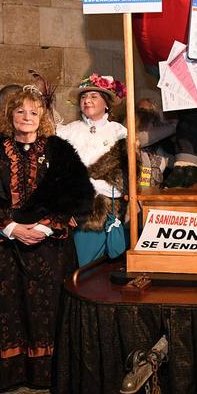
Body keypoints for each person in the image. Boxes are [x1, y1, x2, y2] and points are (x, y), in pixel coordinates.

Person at [0, 86, 93, 391]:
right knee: (7, 308)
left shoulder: (59, 150)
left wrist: (46, 226)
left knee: (46, 310)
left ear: (43, 116)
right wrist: (8, 226)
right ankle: (8, 374)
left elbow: (80, 195)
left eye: (34, 112)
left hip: (50, 248)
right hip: (3, 246)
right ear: (10, 115)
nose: (27, 117)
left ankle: (44, 374)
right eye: (20, 111)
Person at [56, 74, 129, 266]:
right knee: (83, 265)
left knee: (110, 264)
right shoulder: (67, 131)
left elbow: (127, 171)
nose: (87, 100)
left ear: (107, 104)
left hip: (110, 207)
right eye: (83, 97)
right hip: (77, 210)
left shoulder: (119, 131)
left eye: (94, 96)